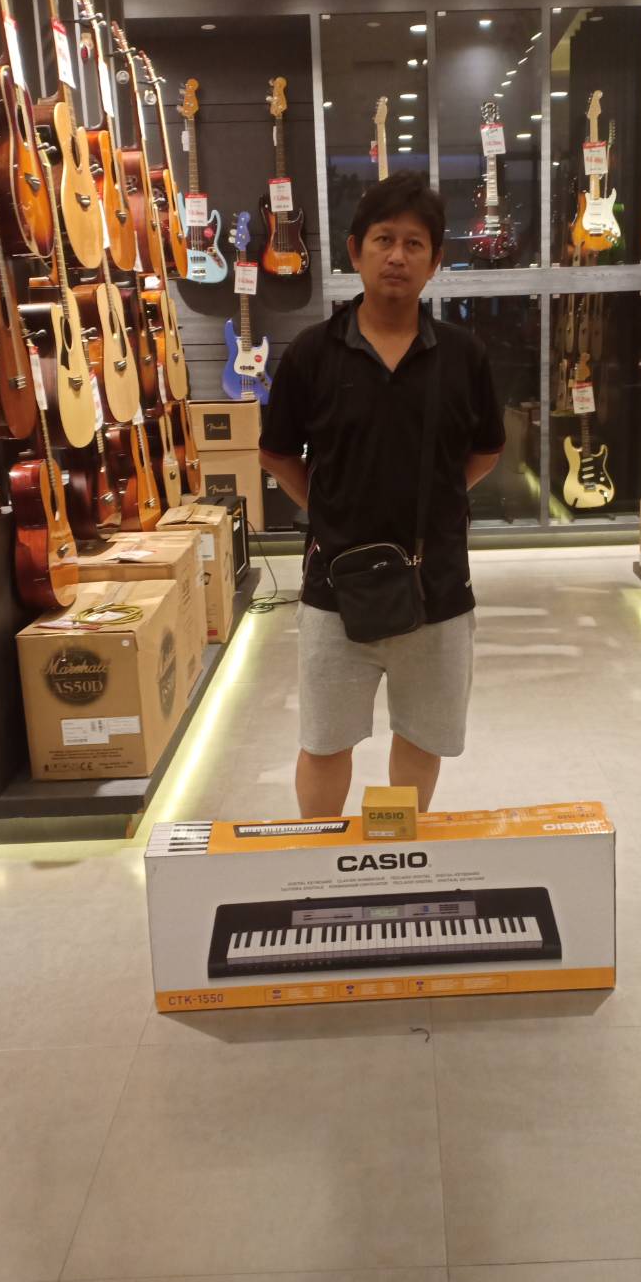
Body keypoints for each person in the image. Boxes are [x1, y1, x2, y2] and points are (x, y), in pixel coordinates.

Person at [259, 172, 504, 819]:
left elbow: (487, 449)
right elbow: (276, 452)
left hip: (438, 586)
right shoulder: (312, 354)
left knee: (421, 738)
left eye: (414, 243)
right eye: (384, 239)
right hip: (334, 588)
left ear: (436, 260)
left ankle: (394, 851)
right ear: (355, 250)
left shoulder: (464, 356)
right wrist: (327, 508)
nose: (398, 256)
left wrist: (438, 501)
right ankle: (319, 855)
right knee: (325, 741)